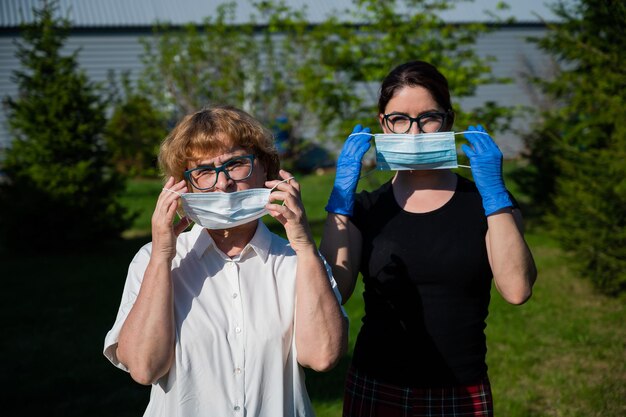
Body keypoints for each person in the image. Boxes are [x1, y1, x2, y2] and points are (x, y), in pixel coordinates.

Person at [320, 60, 537, 416]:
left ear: (448, 122)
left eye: (428, 118)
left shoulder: (487, 204)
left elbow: (517, 290)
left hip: (460, 391)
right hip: (376, 386)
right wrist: (340, 202)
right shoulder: (364, 208)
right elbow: (333, 292)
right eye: (400, 120)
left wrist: (495, 195)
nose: (414, 134)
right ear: (383, 125)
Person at [104, 105, 348, 417]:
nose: (223, 184)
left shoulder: (295, 258)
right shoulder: (155, 260)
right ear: (183, 187)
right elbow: (143, 368)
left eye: (235, 165)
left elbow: (322, 356)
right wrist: (162, 257)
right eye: (204, 172)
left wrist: (304, 245)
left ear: (266, 171)